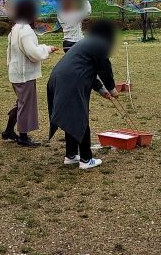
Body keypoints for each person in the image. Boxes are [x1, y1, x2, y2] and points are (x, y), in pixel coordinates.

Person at [47, 20, 119, 170]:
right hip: (70, 82)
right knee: (79, 117)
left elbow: (88, 70)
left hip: (58, 79)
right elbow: (104, 68)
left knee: (71, 116)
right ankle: (86, 159)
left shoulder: (88, 43)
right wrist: (112, 88)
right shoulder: (100, 44)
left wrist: (102, 90)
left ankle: (71, 155)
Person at [3, 0, 58, 147]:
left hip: (16, 73)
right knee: (26, 104)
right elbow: (33, 53)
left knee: (21, 102)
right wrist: (47, 49)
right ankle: (23, 137)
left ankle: (8, 131)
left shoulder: (16, 27)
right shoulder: (25, 30)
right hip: (23, 74)